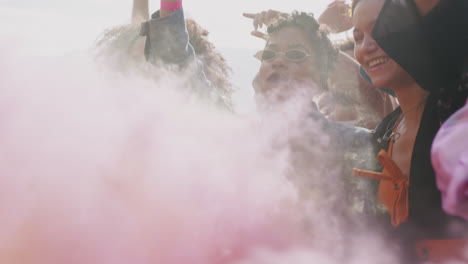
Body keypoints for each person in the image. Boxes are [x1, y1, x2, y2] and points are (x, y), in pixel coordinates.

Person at [351, 0, 468, 262]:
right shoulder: (384, 131)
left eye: (384, 29)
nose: (367, 47)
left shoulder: (456, 115)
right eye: (358, 37)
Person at [243, 8, 396, 128]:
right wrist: (289, 34)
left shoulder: (366, 135)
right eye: (326, 93)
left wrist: (306, 30)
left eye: (343, 99)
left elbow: (371, 92)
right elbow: (264, 85)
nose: (330, 110)